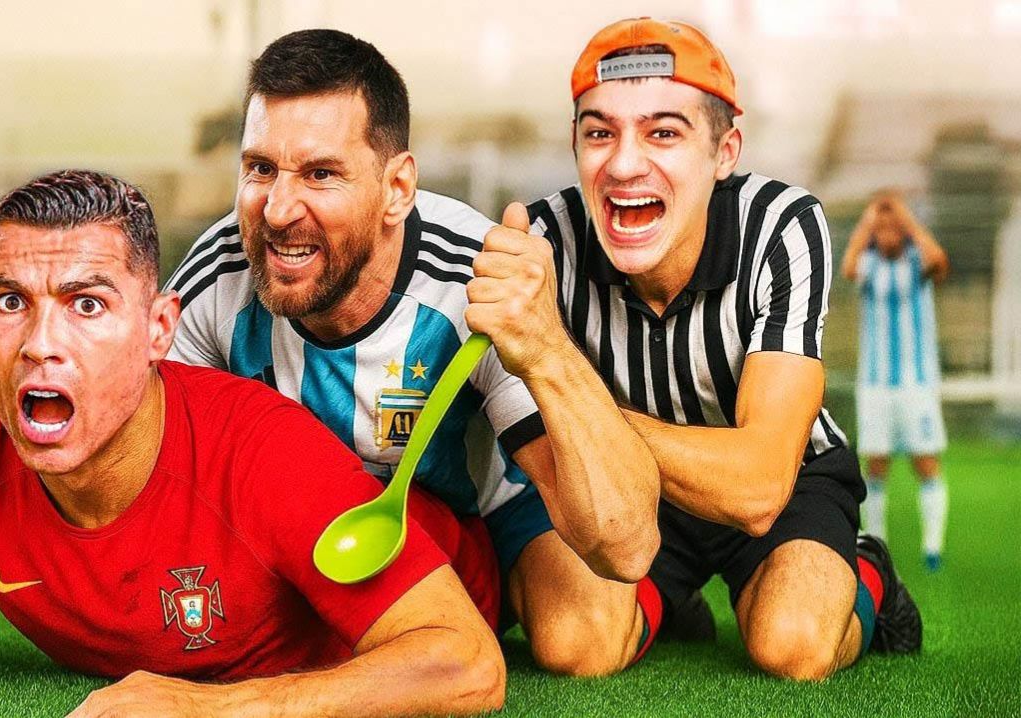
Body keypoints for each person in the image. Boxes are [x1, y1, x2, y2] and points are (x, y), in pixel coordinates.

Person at [0, 170, 505, 716]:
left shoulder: (264, 454)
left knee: (569, 631)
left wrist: (210, 708)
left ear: (158, 329)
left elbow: (465, 662)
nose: (40, 344)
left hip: (470, 574)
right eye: (10, 302)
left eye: (86, 305)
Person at [167, 29, 663, 676]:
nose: (279, 210)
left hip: (484, 507)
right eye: (260, 168)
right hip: (308, 519)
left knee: (583, 642)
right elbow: (164, 483)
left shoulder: (473, 277)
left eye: (320, 174)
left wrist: (544, 345)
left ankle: (660, 599)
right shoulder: (215, 280)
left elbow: (625, 548)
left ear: (397, 188)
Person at [472, 18, 923, 680]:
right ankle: (664, 604)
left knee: (795, 646)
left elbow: (759, 485)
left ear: (724, 151)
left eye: (663, 133)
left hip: (783, 478)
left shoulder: (781, 226)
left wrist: (573, 395)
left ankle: (868, 573)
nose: (623, 164)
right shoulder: (543, 242)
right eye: (599, 133)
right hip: (624, 489)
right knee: (575, 645)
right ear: (575, 145)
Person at [841, 189, 951, 570]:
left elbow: (940, 260)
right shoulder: (870, 265)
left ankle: (933, 548)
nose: (887, 233)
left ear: (904, 228)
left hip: (916, 385)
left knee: (926, 462)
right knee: (875, 466)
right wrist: (867, 220)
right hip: (875, 386)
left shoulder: (918, 261)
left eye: (894, 226)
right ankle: (877, 547)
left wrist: (906, 219)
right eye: (881, 227)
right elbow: (848, 267)